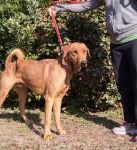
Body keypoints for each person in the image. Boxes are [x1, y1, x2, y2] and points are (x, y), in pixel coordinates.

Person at [48, 0, 137, 137]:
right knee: (123, 85)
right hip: (116, 43)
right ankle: (130, 123)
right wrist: (58, 8)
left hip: (134, 37)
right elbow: (86, 5)